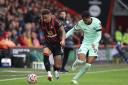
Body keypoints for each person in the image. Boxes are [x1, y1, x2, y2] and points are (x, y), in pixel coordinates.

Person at [66, 11, 102, 84]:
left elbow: (99, 35)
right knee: (81, 61)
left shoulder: (97, 22)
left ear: (89, 18)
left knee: (88, 65)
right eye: (83, 20)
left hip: (94, 44)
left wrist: (95, 43)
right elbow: (72, 30)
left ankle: (75, 79)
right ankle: (77, 61)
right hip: (85, 43)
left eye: (85, 20)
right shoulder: (80, 23)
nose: (84, 22)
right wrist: (64, 38)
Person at [39, 9, 65, 81]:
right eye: (43, 18)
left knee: (58, 65)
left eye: (46, 18)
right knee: (45, 53)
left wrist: (63, 40)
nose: (44, 20)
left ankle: (56, 71)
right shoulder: (41, 22)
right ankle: (49, 74)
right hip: (48, 43)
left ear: (50, 16)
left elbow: (63, 31)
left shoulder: (56, 22)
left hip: (57, 44)